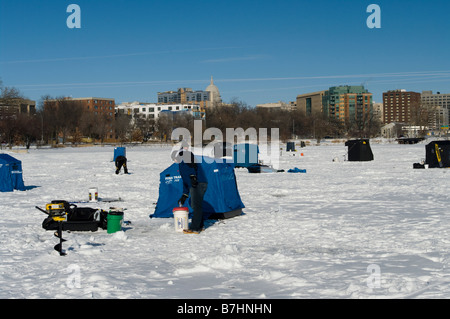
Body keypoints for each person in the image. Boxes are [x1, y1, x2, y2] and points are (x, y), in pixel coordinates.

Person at [172, 145, 208, 234]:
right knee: (196, 204)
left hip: (198, 183)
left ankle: (195, 228)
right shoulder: (181, 165)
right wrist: (185, 194)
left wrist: (193, 177)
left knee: (196, 205)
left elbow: (192, 165)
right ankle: (200, 225)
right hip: (196, 183)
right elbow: (185, 181)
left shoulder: (185, 155)